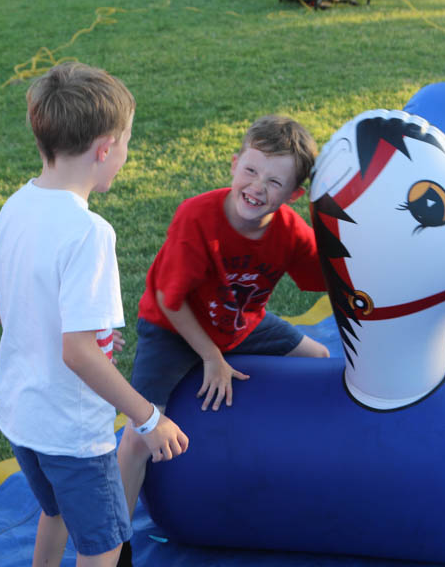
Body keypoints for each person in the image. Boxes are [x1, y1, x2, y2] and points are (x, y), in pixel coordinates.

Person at [0, 62, 188, 567]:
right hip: (72, 432)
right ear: (104, 149)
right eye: (125, 144)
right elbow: (78, 355)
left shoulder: (15, 205)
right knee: (103, 544)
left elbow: (1, 309)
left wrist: (88, 334)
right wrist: (148, 418)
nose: (123, 156)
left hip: (21, 414)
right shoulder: (90, 232)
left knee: (53, 511)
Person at [114, 115, 330, 563]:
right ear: (234, 164)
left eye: (274, 182)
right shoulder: (197, 217)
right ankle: (112, 545)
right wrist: (211, 357)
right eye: (250, 170)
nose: (257, 187)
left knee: (320, 356)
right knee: (138, 434)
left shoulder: (289, 230)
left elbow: (334, 278)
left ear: (294, 196)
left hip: (242, 323)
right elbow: (167, 299)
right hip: (173, 329)